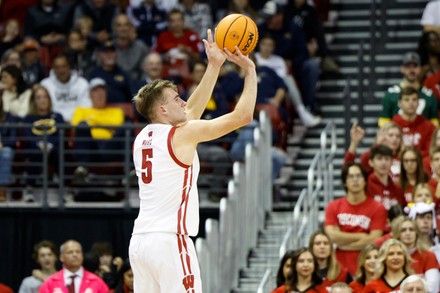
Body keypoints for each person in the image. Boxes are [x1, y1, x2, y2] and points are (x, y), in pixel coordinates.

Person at [128, 29, 257, 292]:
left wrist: (213, 66)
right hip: (169, 241)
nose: (183, 101)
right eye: (176, 99)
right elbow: (242, 116)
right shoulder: (182, 134)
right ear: (163, 110)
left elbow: (189, 112)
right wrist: (250, 71)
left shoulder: (142, 137)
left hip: (140, 243)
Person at [324, 162, 387, 275]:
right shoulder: (333, 206)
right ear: (344, 182)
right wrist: (361, 235)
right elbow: (331, 236)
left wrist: (342, 244)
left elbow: (373, 239)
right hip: (339, 269)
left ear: (365, 181)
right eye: (351, 176)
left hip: (366, 269)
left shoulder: (378, 207)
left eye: (359, 176)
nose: (355, 180)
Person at [255, 34, 321, 128]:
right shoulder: (254, 58)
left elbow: (281, 81)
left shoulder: (278, 61)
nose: (266, 48)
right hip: (257, 88)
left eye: (270, 45)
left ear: (273, 48)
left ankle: (302, 111)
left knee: (288, 79)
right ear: (259, 45)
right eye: (264, 44)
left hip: (276, 90)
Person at [70, 78, 126, 182]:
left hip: (110, 146)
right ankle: (82, 168)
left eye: (102, 90)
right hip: (90, 147)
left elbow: (117, 125)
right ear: (89, 95)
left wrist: (92, 120)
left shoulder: (116, 111)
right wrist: (106, 124)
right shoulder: (80, 110)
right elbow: (74, 126)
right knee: (82, 126)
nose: (100, 94)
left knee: (126, 127)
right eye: (96, 91)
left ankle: (130, 171)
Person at [20, 84, 64, 201]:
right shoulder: (28, 119)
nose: (42, 100)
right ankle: (29, 190)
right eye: (39, 97)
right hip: (35, 148)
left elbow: (59, 135)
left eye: (45, 97)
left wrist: (48, 145)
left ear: (49, 99)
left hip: (53, 148)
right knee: (37, 152)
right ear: (34, 101)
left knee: (57, 150)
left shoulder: (57, 117)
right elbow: (28, 137)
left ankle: (63, 190)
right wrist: (40, 144)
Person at [379, 52, 438, 127]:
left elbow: (434, 127)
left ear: (420, 69)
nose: (411, 70)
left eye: (415, 66)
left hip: (423, 137)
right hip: (397, 137)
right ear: (402, 69)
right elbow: (383, 124)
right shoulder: (390, 95)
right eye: (408, 66)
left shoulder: (429, 95)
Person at [39, 239, 109, 293]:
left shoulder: (97, 281)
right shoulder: (50, 282)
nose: (75, 255)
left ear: (82, 256)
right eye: (70, 252)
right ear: (61, 257)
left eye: (78, 252)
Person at [40, 52, 91, 122]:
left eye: (64, 66)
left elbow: (86, 107)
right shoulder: (45, 85)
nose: (61, 70)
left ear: (69, 67)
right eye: (58, 67)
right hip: (53, 122)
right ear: (53, 69)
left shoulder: (82, 83)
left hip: (78, 123)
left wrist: (74, 120)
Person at [393, 217, 440, 292]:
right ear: (397, 234)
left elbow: (433, 288)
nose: (408, 233)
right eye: (403, 230)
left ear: (417, 233)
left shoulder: (428, 255)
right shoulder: (391, 257)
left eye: (411, 229)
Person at [392, 86, 436, 158]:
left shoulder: (429, 127)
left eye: (414, 99)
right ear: (399, 103)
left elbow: (431, 151)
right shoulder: (392, 125)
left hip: (422, 164)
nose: (411, 103)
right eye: (406, 100)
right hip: (397, 163)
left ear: (419, 102)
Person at [366, 144, 406, 210]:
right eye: (379, 158)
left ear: (391, 162)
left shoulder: (398, 190)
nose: (383, 162)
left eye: (387, 159)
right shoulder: (365, 187)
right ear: (371, 162)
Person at [113, 14, 149, 82]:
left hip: (136, 87)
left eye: (126, 25)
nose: (122, 28)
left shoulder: (141, 47)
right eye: (119, 25)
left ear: (130, 27)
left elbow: (145, 72)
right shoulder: (109, 48)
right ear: (114, 28)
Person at [0, 96, 18, 201]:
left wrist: (2, 144)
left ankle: (1, 191)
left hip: (3, 149)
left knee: (6, 152)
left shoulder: (8, 118)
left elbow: (13, 140)